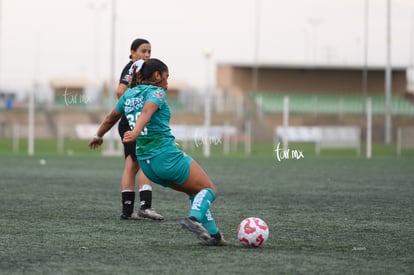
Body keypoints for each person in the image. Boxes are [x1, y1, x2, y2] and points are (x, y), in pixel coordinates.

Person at [89, 58, 226, 245]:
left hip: (148, 166)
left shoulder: (128, 94)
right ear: (157, 75)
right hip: (166, 157)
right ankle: (193, 219)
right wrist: (136, 131)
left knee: (195, 192)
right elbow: (147, 111)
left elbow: (110, 118)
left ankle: (215, 236)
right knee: (209, 189)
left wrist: (98, 135)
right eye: (166, 77)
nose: (167, 82)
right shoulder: (157, 92)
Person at [115, 38, 163, 220]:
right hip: (133, 121)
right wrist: (137, 100)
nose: (147, 55)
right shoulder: (132, 68)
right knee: (143, 161)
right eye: (143, 51)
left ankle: (127, 210)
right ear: (132, 52)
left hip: (131, 121)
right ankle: (145, 207)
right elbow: (120, 91)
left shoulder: (143, 69)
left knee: (132, 164)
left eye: (149, 51)